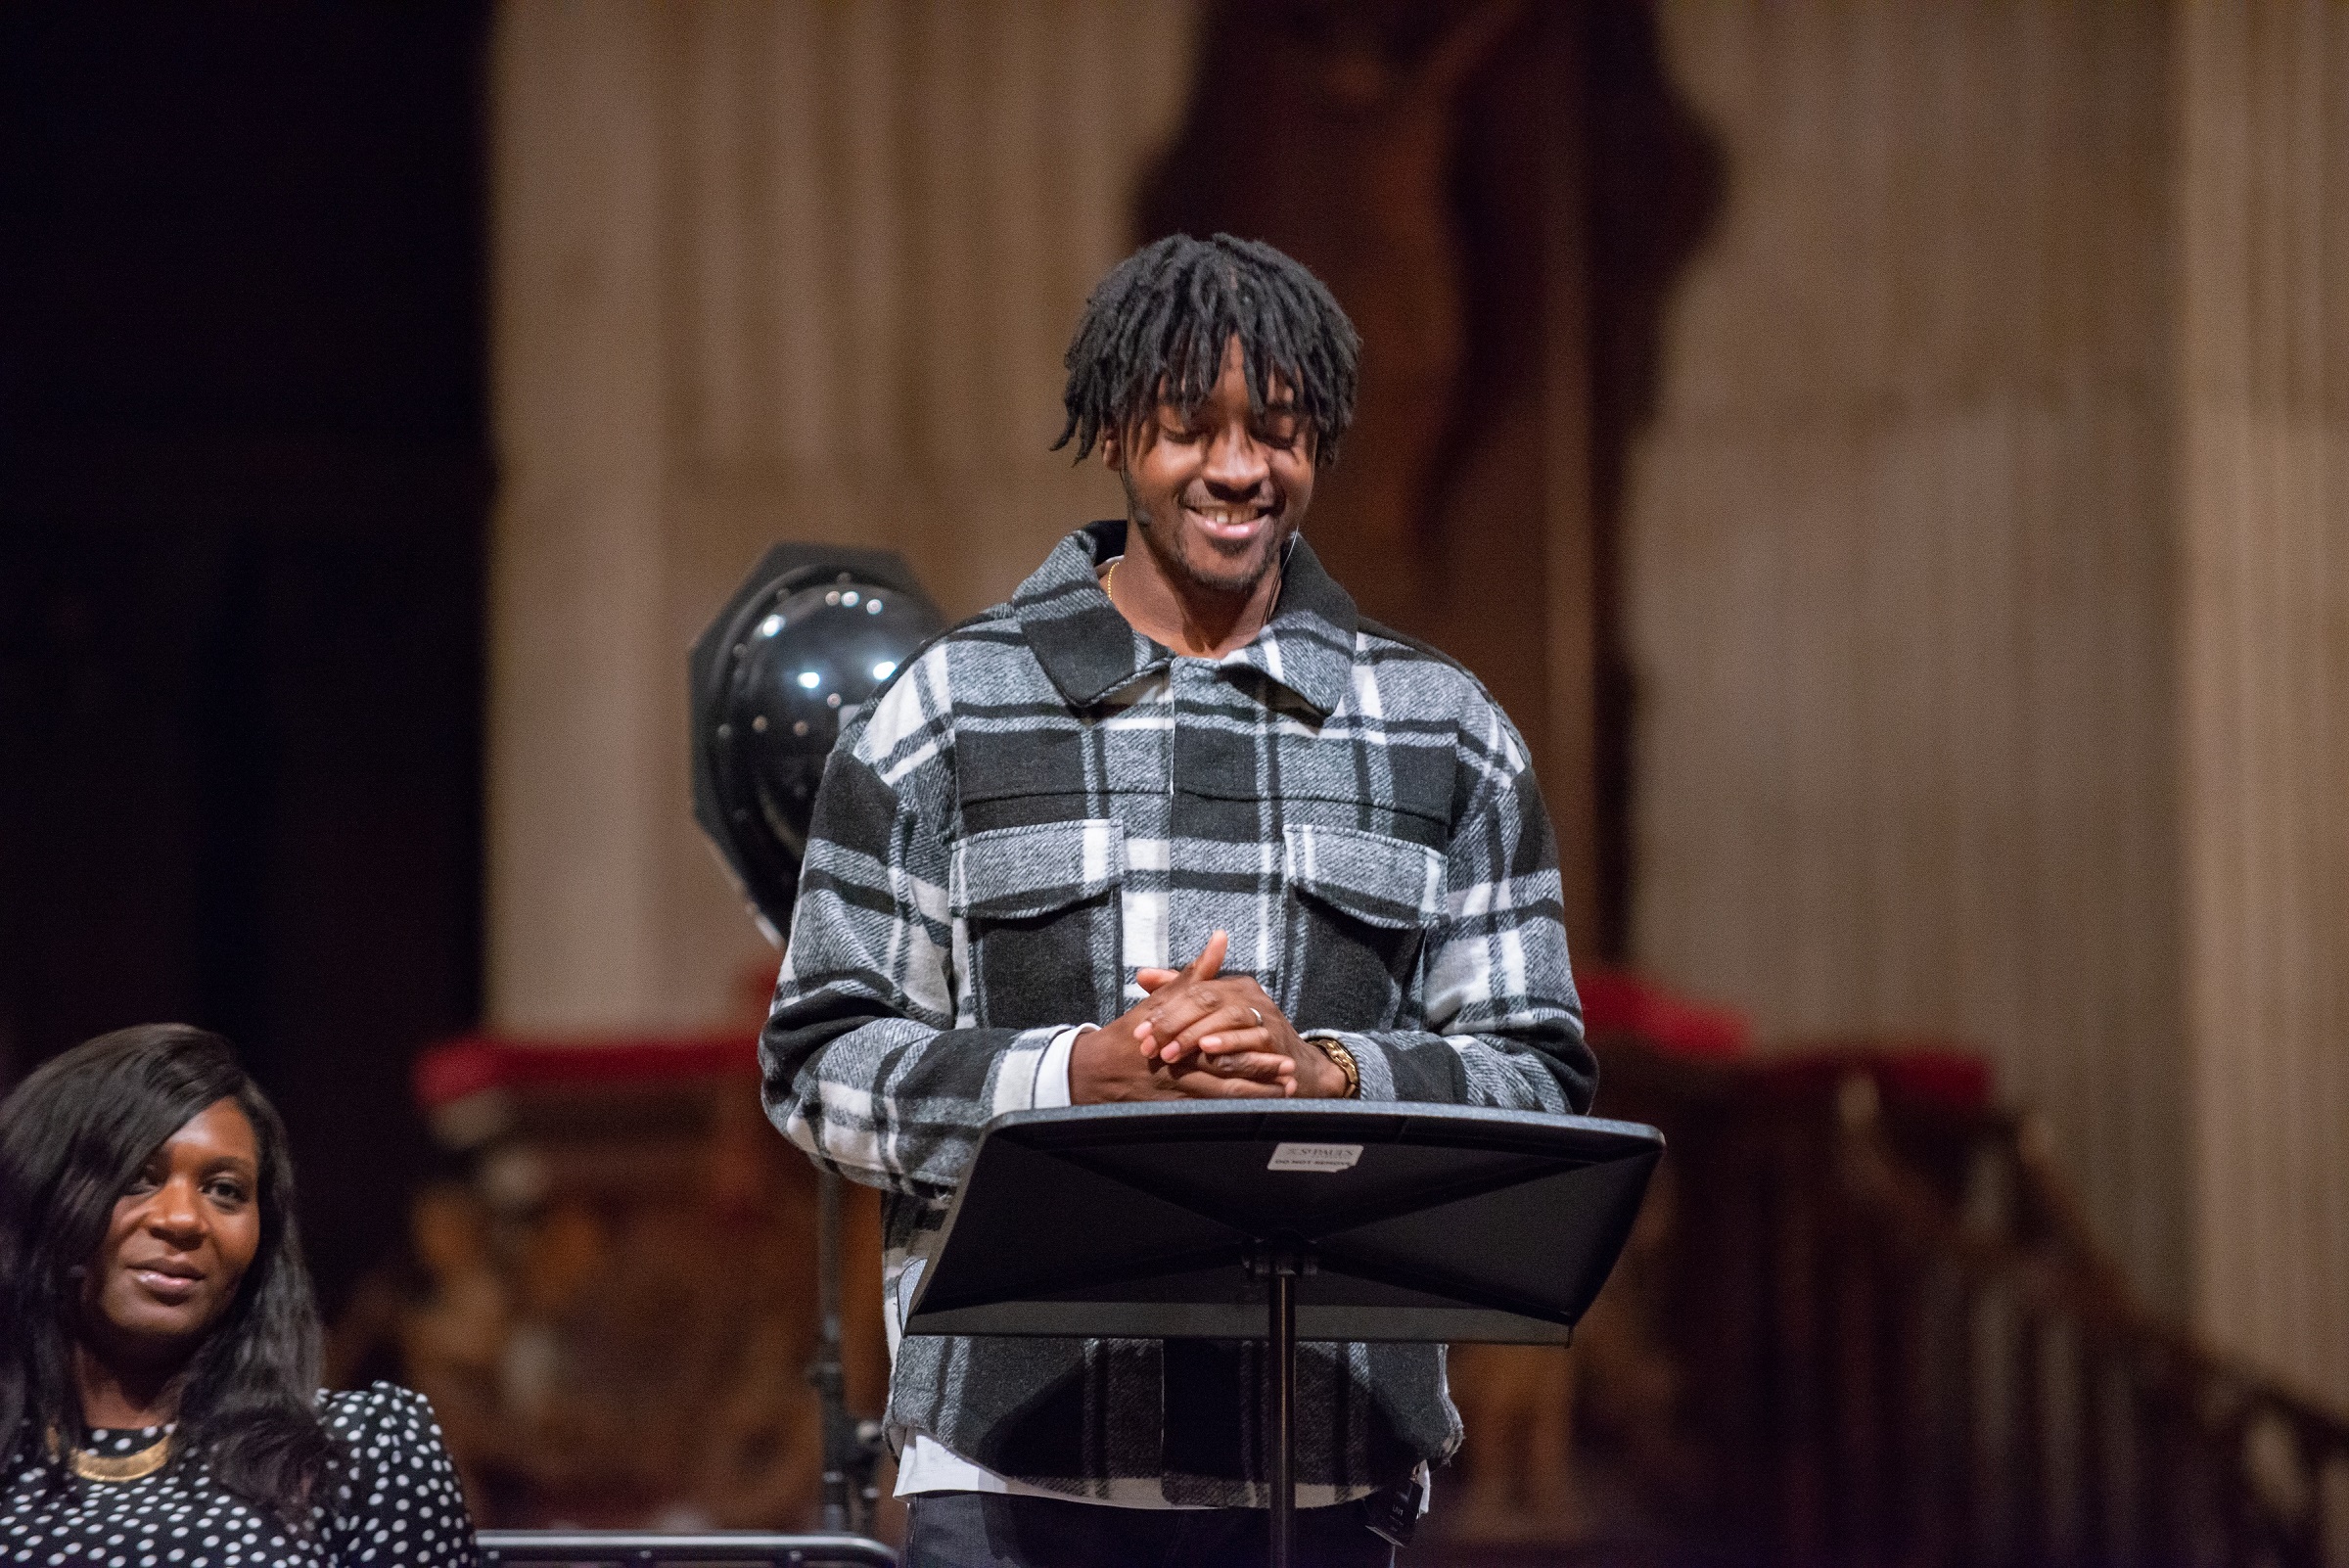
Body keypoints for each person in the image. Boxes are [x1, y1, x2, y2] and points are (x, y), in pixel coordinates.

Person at [761, 232, 1595, 1567]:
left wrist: (1328, 1067)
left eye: (1277, 429)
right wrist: (1072, 1075)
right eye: (1187, 427)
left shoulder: (1448, 730)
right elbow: (817, 1064)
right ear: (1112, 436)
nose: (1237, 467)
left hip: (1326, 1476)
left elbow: (1544, 1084)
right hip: (1013, 1466)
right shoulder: (944, 713)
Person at [0, 1024, 478, 1566]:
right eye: (137, 1178)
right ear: (44, 1201)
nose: (182, 1219)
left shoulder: (364, 1451)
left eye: (224, 1191)